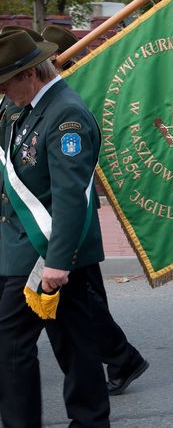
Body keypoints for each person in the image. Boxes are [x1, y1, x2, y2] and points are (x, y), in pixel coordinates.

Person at [0, 30, 110, 427]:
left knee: (12, 345)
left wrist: (57, 262)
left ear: (30, 73)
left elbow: (70, 195)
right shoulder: (23, 107)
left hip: (47, 253)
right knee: (75, 343)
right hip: (24, 245)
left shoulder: (66, 115)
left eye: (5, 82)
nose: (3, 91)